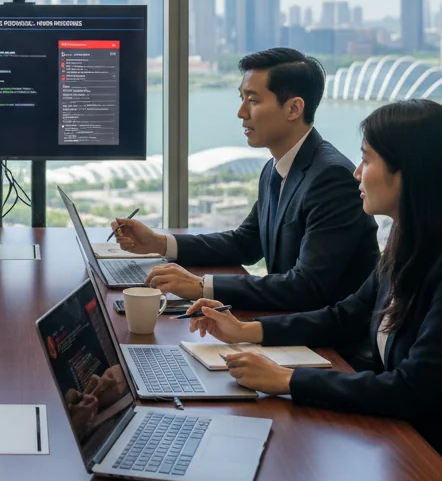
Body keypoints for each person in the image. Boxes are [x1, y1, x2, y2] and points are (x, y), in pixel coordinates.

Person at [184, 99, 442, 481]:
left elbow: (413, 389)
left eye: (367, 160)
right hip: (402, 438)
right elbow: (345, 315)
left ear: (408, 172)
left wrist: (286, 380)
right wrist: (248, 331)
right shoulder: (409, 239)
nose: (356, 173)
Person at [112, 48, 379, 311]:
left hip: (330, 345)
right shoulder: (275, 169)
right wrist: (157, 243)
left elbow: (306, 287)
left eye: (252, 100)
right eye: (242, 98)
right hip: (289, 323)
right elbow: (245, 244)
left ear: (294, 108)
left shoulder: (332, 178)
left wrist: (201, 286)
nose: (241, 112)